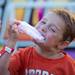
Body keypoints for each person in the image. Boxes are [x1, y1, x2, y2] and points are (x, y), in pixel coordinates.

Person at [0, 9, 75, 75]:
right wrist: (11, 42)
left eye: (52, 29)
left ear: (62, 44)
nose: (43, 28)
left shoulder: (69, 66)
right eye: (43, 22)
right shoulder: (23, 55)